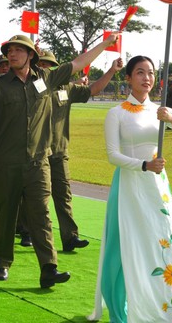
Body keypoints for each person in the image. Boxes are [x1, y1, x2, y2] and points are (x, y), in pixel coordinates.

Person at [0, 34, 115, 288]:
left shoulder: (47, 79)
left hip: (39, 163)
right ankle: (2, 262)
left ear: (31, 55)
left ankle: (49, 268)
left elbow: (77, 63)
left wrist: (105, 44)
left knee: (41, 214)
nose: (12, 54)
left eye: (19, 50)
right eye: (10, 50)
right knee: (5, 215)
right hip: (4, 164)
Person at [88, 56, 172, 323]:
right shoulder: (116, 114)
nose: (146, 78)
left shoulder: (160, 110)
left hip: (157, 187)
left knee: (165, 243)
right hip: (129, 185)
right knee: (127, 245)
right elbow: (113, 155)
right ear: (128, 78)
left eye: (150, 73)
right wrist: (144, 165)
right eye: (139, 73)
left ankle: (169, 308)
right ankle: (121, 307)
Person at [37, 50, 124, 252]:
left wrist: (112, 70)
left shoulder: (66, 89)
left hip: (58, 150)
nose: (46, 69)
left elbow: (92, 90)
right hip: (36, 152)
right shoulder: (34, 87)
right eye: (42, 65)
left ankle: (70, 237)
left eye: (50, 65)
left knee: (63, 194)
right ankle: (26, 231)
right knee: (35, 197)